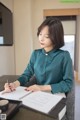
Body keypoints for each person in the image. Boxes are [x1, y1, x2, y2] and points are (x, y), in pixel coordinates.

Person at [4, 17, 74, 94]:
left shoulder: (64, 56)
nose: (41, 39)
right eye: (40, 34)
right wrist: (14, 84)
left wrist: (41, 88)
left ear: (56, 37)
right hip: (37, 94)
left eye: (46, 36)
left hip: (56, 94)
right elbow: (26, 75)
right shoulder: (36, 54)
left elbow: (68, 84)